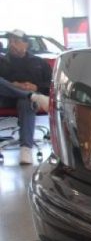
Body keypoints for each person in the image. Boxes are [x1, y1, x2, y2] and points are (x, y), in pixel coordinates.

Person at [0, 30, 51, 165]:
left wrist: (36, 87)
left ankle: (26, 148)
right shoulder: (2, 61)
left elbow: (51, 84)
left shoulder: (39, 62)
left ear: (26, 44)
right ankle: (32, 96)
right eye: (10, 41)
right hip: (5, 98)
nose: (12, 44)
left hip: (28, 100)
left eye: (16, 41)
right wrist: (13, 85)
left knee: (26, 101)